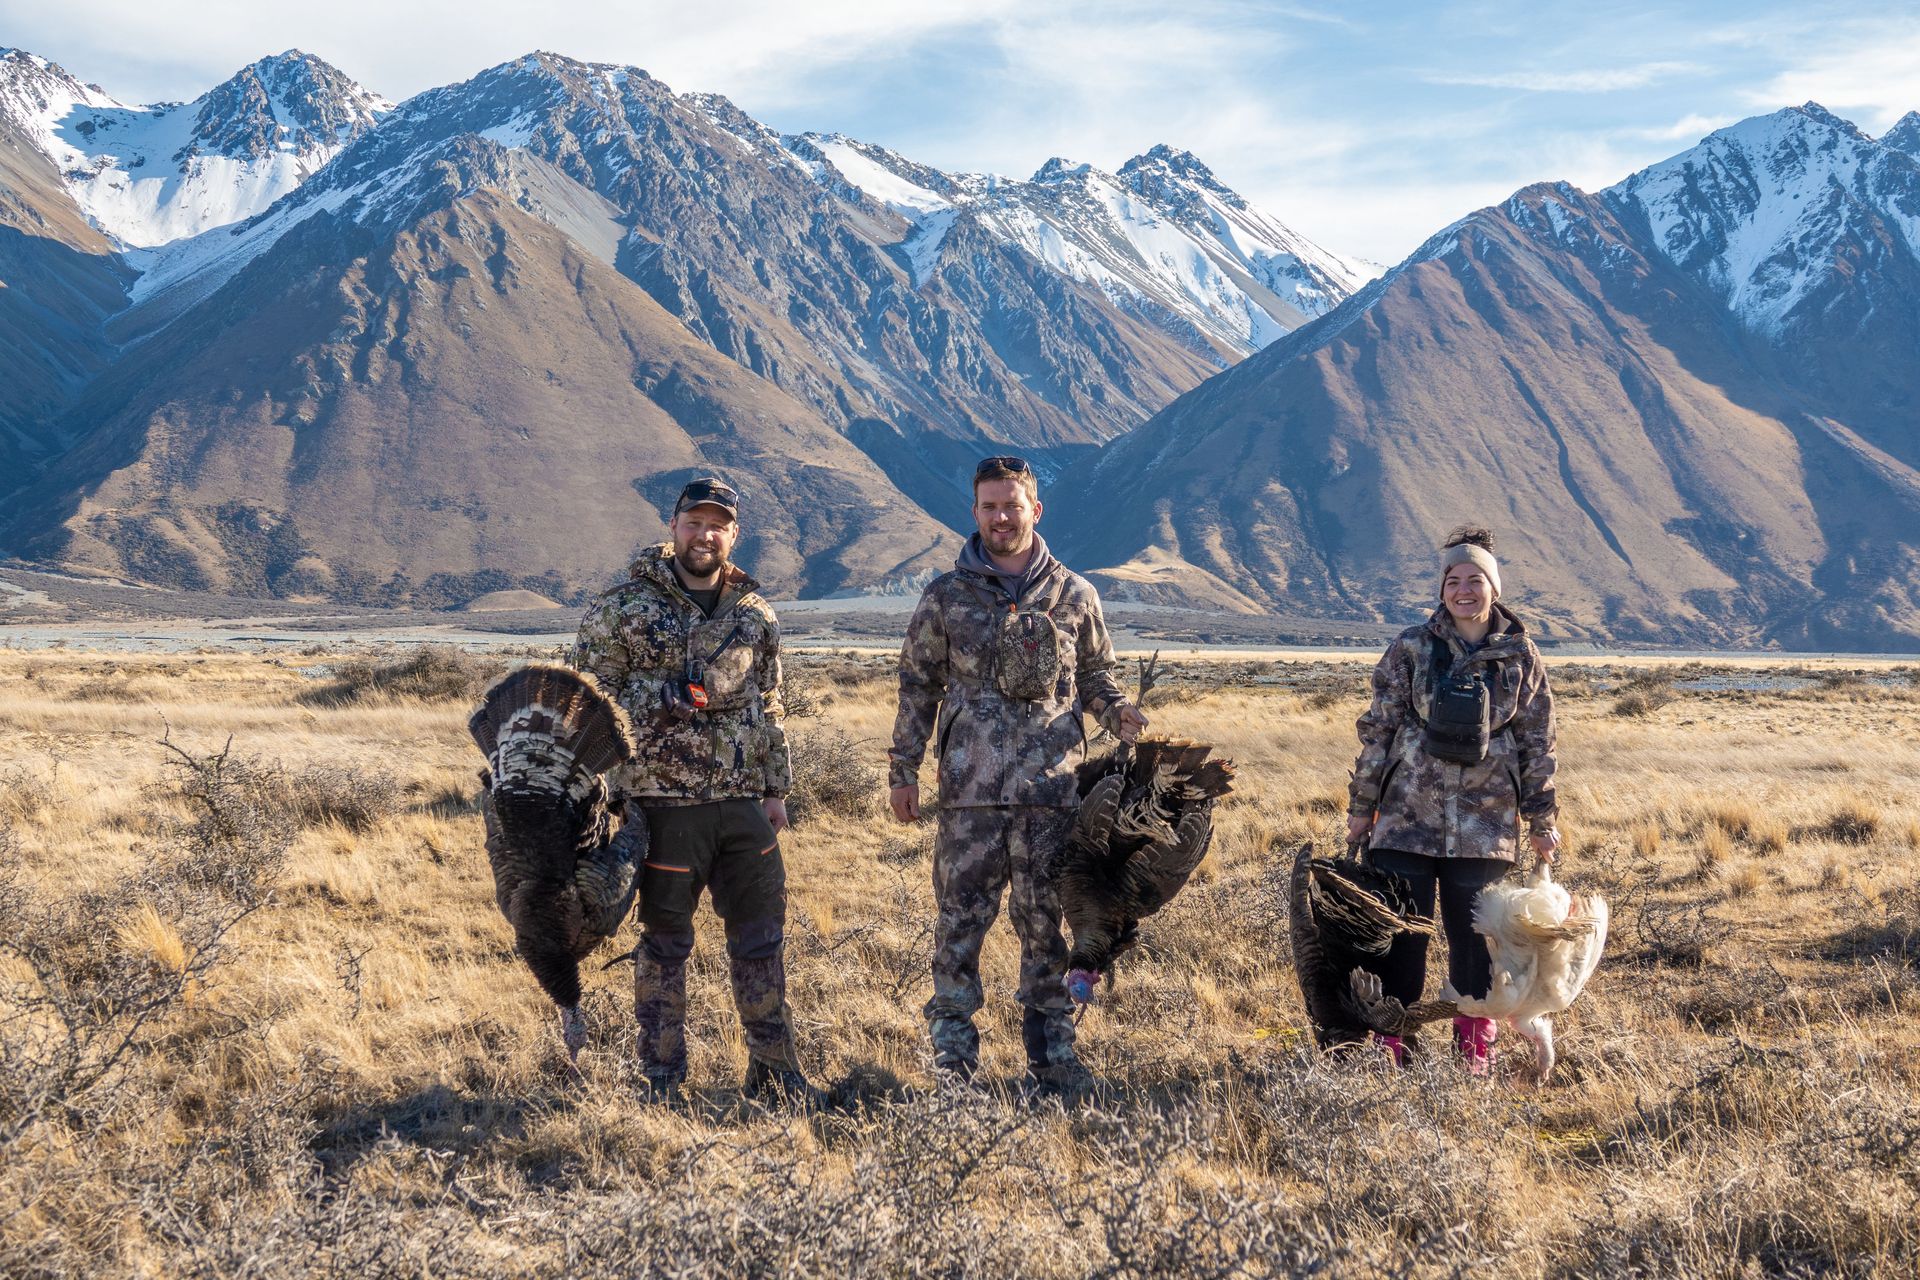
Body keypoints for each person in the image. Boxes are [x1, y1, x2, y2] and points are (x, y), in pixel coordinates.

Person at [888, 456, 1149, 1094]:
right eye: (989, 507)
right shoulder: (945, 597)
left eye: (1012, 505)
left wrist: (1117, 712)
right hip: (968, 798)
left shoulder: (1075, 595)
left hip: (1051, 796)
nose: (1001, 517)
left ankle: (1053, 1060)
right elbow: (917, 686)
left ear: (1036, 509)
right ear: (975, 513)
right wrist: (904, 771)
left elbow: (1095, 677)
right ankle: (952, 1066)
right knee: (959, 926)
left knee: (1046, 928)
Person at [572, 477, 819, 1107]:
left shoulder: (754, 615)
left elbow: (771, 707)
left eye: (718, 524)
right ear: (673, 524)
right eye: (693, 521)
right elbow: (584, 702)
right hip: (659, 806)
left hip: (741, 808)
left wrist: (775, 790)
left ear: (734, 534)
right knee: (665, 946)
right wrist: (659, 701)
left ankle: (775, 1074)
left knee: (762, 939)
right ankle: (659, 1082)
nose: (704, 534)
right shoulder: (622, 607)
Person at [1344, 525, 1560, 1074]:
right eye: (1453, 580)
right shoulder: (1413, 646)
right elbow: (1379, 731)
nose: (1464, 590)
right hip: (1404, 819)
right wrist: (1361, 808)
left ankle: (1473, 1056)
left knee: (1476, 945)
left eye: (1475, 579)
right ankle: (1394, 1050)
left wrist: (1541, 818)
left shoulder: (1522, 656)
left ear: (1494, 587)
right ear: (1441, 589)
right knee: (1399, 938)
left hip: (1488, 826)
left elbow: (1539, 741)